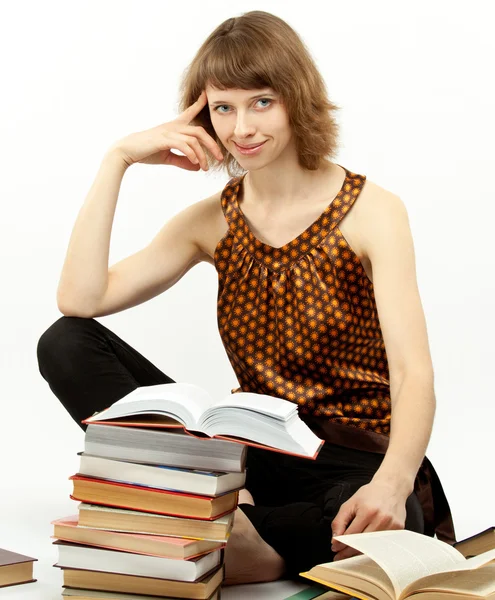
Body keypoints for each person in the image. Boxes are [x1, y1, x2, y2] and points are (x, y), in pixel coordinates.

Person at [36, 10, 456, 586]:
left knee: (387, 523)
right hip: (252, 453)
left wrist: (392, 480)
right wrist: (119, 160)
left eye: (261, 102)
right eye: (222, 107)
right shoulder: (212, 220)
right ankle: (225, 519)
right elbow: (80, 300)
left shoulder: (373, 211)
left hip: (353, 458)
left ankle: (227, 535)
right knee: (65, 342)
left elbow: (413, 373)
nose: (241, 128)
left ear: (295, 99)